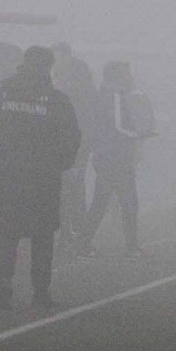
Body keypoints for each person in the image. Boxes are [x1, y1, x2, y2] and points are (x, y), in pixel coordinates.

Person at [0, 46, 81, 310]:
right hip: (44, 178)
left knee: (6, 233)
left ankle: (4, 288)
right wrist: (59, 164)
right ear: (48, 68)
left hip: (10, 176)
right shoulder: (56, 100)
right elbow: (72, 138)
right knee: (43, 234)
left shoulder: (3, 95)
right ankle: (41, 291)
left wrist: (1, 159)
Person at [77, 61, 150, 260]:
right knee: (129, 202)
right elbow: (118, 126)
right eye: (126, 72)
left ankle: (83, 243)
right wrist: (139, 134)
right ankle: (131, 247)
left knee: (101, 201)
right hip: (116, 156)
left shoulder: (103, 94)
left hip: (106, 155)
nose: (130, 75)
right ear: (117, 75)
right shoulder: (115, 95)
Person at [50, 42, 96, 249]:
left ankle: (71, 231)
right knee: (72, 186)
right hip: (73, 140)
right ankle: (75, 230)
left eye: (57, 57)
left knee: (69, 186)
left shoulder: (71, 83)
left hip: (73, 141)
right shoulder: (74, 79)